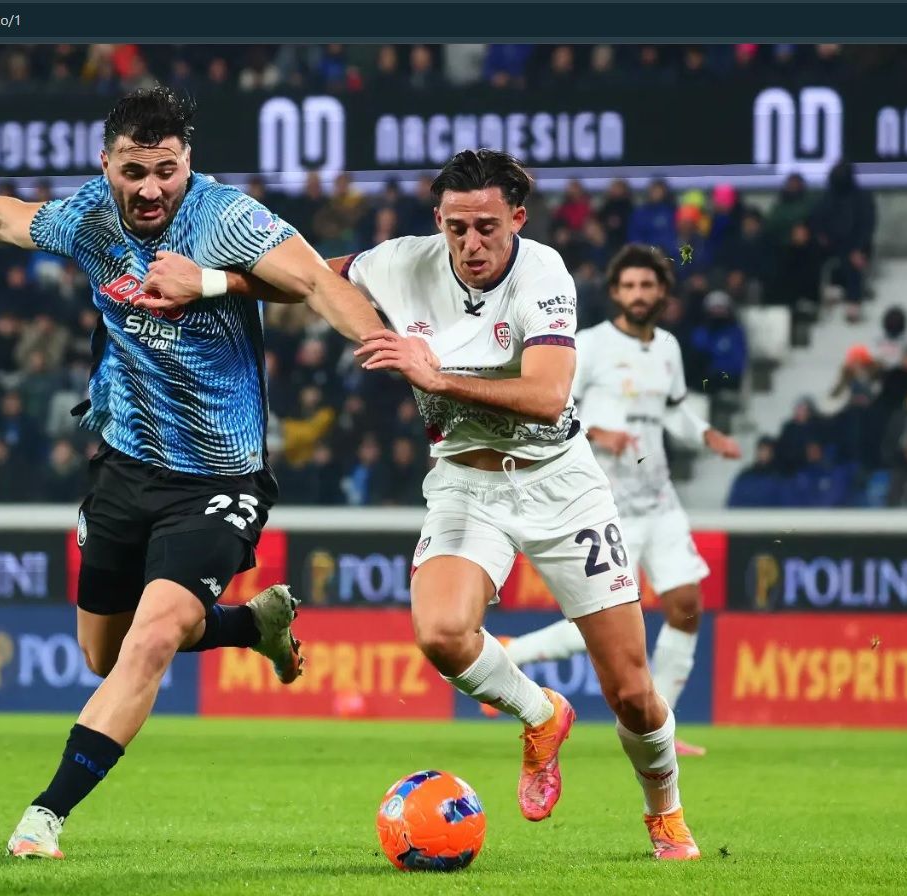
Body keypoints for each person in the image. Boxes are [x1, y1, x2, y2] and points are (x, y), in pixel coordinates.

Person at [0, 86, 384, 861]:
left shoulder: (224, 218)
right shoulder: (89, 217)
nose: (150, 189)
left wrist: (382, 343)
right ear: (106, 165)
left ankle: (45, 816)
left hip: (218, 481)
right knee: (104, 656)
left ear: (187, 161)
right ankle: (251, 625)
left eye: (166, 170)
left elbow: (314, 280)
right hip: (123, 468)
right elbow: (4, 218)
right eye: (134, 172)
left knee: (153, 638)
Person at [140, 150, 702, 860]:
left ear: (518, 219)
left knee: (631, 692)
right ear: (438, 220)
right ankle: (541, 714)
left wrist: (437, 377)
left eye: (487, 227)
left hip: (561, 483)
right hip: (467, 483)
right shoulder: (400, 262)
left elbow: (548, 393)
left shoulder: (544, 273)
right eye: (456, 227)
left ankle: (665, 813)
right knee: (441, 633)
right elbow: (307, 278)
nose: (471, 243)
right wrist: (211, 282)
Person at [499, 244, 742, 757]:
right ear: (615, 293)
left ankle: (662, 728)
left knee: (686, 606)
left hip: (660, 499)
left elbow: (673, 411)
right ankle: (512, 653)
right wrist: (598, 431)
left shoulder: (668, 348)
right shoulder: (589, 344)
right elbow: (553, 402)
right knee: (597, 622)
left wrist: (706, 435)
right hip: (606, 503)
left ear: (662, 292)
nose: (638, 294)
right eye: (628, 286)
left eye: (647, 285)